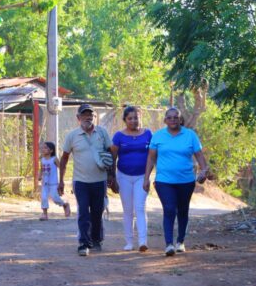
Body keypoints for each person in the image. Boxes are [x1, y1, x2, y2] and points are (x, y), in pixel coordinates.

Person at [143, 107, 209, 256]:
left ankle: (180, 241)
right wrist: (146, 178)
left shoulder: (190, 135)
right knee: (169, 209)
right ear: (165, 120)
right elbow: (151, 158)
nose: (173, 120)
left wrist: (204, 170)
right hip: (164, 180)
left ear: (180, 120)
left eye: (176, 117)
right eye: (170, 117)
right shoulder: (158, 136)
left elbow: (199, 155)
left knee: (183, 209)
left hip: (186, 180)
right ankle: (169, 244)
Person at [59, 103, 113, 257]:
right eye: (84, 115)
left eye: (91, 115)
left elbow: (111, 154)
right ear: (78, 118)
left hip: (100, 180)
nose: (88, 117)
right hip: (80, 181)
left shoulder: (102, 133)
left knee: (97, 211)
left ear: (95, 117)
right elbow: (64, 158)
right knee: (83, 211)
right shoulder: (72, 136)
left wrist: (111, 175)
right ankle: (83, 242)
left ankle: (96, 240)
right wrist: (61, 180)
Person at [110, 106, 152, 252]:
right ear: (125, 120)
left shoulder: (148, 134)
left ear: (140, 118)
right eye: (130, 118)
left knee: (140, 207)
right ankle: (129, 242)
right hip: (123, 176)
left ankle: (142, 241)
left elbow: (152, 157)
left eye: (136, 117)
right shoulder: (118, 136)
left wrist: (148, 178)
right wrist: (112, 178)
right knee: (128, 210)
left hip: (142, 176)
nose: (133, 121)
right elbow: (112, 157)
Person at [39, 142, 72, 220]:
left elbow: (61, 168)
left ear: (51, 150)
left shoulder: (54, 159)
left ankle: (65, 205)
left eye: (46, 148)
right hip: (45, 183)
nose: (43, 149)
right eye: (43, 148)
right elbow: (41, 169)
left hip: (53, 182)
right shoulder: (42, 160)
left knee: (55, 198)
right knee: (43, 197)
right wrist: (39, 176)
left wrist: (61, 180)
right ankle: (45, 214)